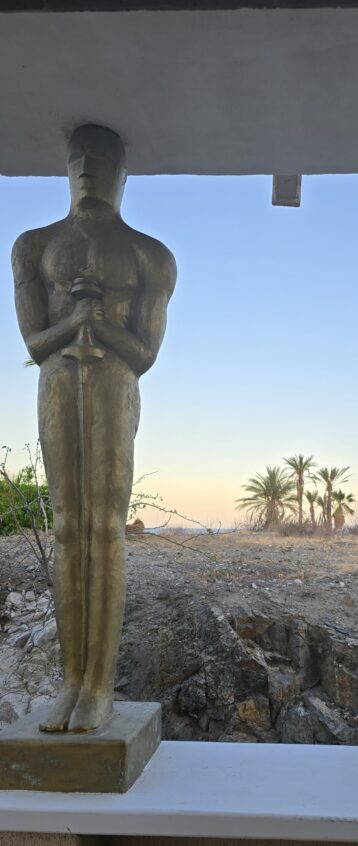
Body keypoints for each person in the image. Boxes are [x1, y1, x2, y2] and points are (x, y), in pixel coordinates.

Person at [12, 124, 177, 732]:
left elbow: (145, 352)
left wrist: (100, 321)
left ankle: (98, 687)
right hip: (58, 383)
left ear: (122, 175)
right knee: (68, 527)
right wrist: (77, 316)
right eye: (78, 158)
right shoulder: (34, 246)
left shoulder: (149, 255)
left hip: (113, 384)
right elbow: (35, 342)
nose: (87, 168)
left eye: (101, 160)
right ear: (66, 168)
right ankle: (71, 682)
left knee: (105, 528)